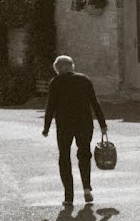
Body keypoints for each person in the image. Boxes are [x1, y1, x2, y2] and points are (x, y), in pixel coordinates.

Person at [42, 55, 108, 207]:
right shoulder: (84, 79)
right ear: (72, 66)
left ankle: (68, 196)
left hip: (64, 125)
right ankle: (86, 188)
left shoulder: (55, 82)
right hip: (84, 123)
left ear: (57, 70)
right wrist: (102, 124)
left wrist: (46, 128)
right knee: (84, 154)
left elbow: (50, 106)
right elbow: (94, 102)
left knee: (64, 157)